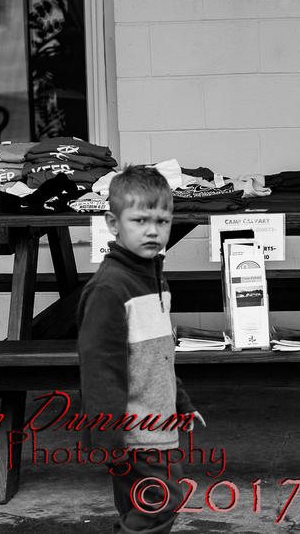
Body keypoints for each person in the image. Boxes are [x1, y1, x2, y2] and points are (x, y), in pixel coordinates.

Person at [77, 165, 204, 533]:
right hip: (134, 432)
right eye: (140, 220)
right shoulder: (110, 289)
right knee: (161, 503)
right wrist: (107, 437)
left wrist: (181, 403)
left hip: (159, 424)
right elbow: (100, 369)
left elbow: (160, 356)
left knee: (138, 507)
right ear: (113, 224)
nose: (153, 230)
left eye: (162, 221)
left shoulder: (154, 279)